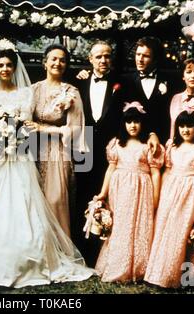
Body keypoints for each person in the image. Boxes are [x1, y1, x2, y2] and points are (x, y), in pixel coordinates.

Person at [0, 40, 94, 288]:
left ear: (15, 66)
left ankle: (41, 257)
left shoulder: (27, 93)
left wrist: (14, 136)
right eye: (1, 65)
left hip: (20, 154)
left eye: (9, 64)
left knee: (33, 204)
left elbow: (29, 125)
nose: (5, 69)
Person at [144, 110, 194, 288]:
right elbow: (167, 171)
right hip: (171, 191)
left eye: (189, 126)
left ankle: (186, 278)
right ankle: (161, 274)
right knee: (166, 230)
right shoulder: (172, 146)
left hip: (192, 193)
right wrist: (161, 194)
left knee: (184, 233)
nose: (185, 130)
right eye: (182, 126)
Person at [94, 103, 163, 282]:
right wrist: (103, 192)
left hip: (142, 190)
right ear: (124, 124)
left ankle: (139, 268)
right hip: (121, 189)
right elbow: (110, 169)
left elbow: (155, 174)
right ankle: (117, 265)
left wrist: (155, 199)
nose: (133, 125)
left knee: (139, 225)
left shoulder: (148, 146)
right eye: (129, 122)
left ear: (142, 124)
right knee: (121, 225)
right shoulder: (116, 144)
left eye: (137, 122)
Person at [26, 44, 86, 237]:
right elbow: (23, 119)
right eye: (53, 59)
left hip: (57, 152)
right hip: (31, 150)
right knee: (30, 199)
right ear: (45, 63)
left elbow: (75, 130)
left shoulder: (71, 92)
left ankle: (57, 249)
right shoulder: (33, 89)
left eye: (62, 60)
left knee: (55, 199)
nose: (57, 63)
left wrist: (46, 129)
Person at [73, 41, 124, 266]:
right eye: (99, 57)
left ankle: (104, 249)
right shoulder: (78, 82)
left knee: (107, 196)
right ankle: (81, 247)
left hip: (109, 151)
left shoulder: (121, 84)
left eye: (107, 56)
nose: (103, 60)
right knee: (83, 194)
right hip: (83, 148)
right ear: (90, 60)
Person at [122, 36, 177, 143]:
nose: (140, 60)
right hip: (134, 142)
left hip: (162, 140)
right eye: (138, 54)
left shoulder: (171, 81)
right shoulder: (125, 81)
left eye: (145, 56)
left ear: (155, 59)